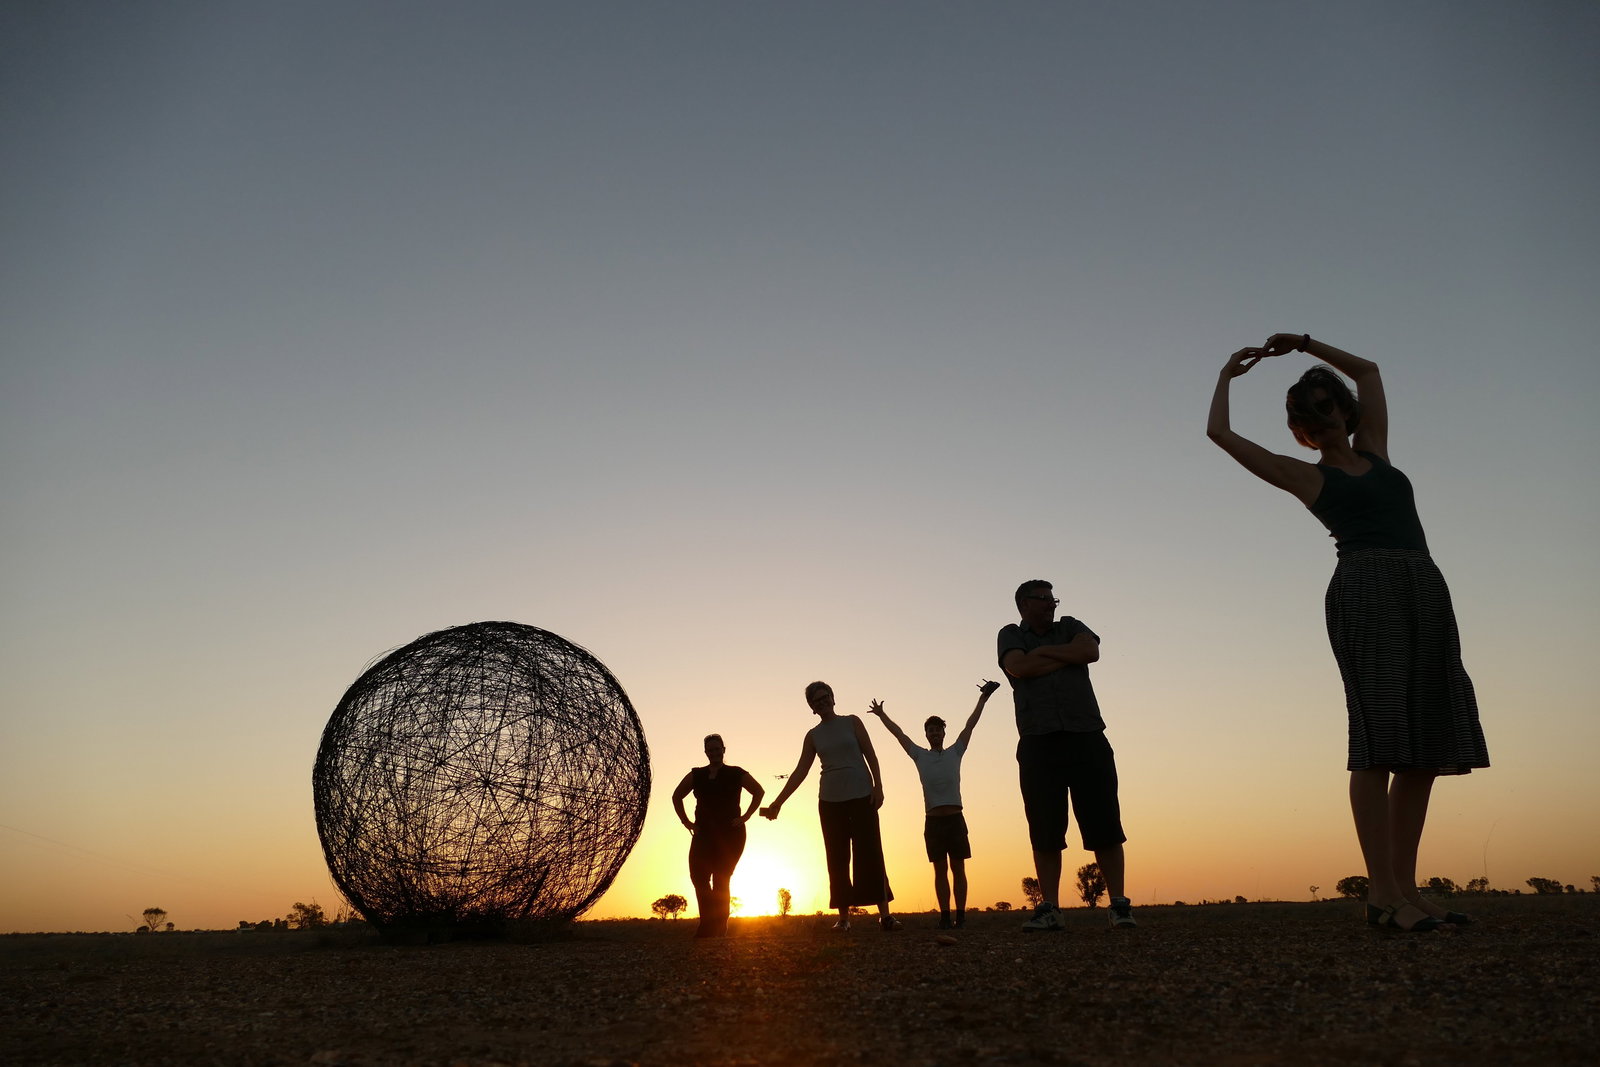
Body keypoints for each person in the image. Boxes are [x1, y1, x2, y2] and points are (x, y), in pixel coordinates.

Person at [1207, 332, 1489, 932]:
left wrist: (1304, 344)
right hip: (1366, 593)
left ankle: (1406, 889)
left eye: (1325, 405)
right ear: (1301, 432)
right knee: (1379, 740)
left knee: (1424, 747)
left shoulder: (1377, 452)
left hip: (1423, 587)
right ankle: (1381, 894)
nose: (1320, 419)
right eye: (1305, 416)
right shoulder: (1305, 477)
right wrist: (1228, 376)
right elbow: (1221, 434)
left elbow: (1369, 371)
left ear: (1343, 409)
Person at [998, 581, 1135, 931]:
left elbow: (1090, 652)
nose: (1052, 604)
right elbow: (1019, 667)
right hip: (1038, 741)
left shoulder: (1071, 625)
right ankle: (1050, 908)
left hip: (1086, 735)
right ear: (1025, 604)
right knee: (1044, 828)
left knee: (1105, 823)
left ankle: (1119, 904)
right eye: (1045, 599)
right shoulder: (1010, 634)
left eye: (1053, 598)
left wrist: (1043, 655)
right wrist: (1063, 656)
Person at [760, 681, 899, 931]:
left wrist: (878, 786)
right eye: (816, 701)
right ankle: (844, 919)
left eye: (825, 697)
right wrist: (777, 802)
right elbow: (800, 771)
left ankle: (885, 916)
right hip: (830, 802)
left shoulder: (852, 722)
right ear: (811, 707)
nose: (822, 702)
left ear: (833, 698)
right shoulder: (813, 735)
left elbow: (871, 754)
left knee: (871, 853)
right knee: (837, 858)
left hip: (862, 796)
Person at [867, 680, 999, 929]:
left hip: (955, 819)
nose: (935, 733)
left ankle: (961, 915)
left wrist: (983, 699)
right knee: (939, 870)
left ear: (943, 733)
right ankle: (945, 916)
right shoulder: (919, 755)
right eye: (931, 730)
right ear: (926, 734)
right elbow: (899, 735)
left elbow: (970, 725)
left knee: (958, 868)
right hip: (934, 821)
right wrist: (882, 715)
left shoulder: (955, 751)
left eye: (938, 730)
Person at [670, 734, 764, 938]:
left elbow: (758, 791)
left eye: (717, 749)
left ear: (723, 750)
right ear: (706, 752)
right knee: (698, 877)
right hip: (703, 833)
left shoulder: (736, 773)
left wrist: (745, 816)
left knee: (721, 879)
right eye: (710, 750)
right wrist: (686, 822)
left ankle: (719, 928)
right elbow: (676, 796)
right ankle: (707, 925)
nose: (714, 753)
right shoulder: (697, 774)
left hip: (731, 834)